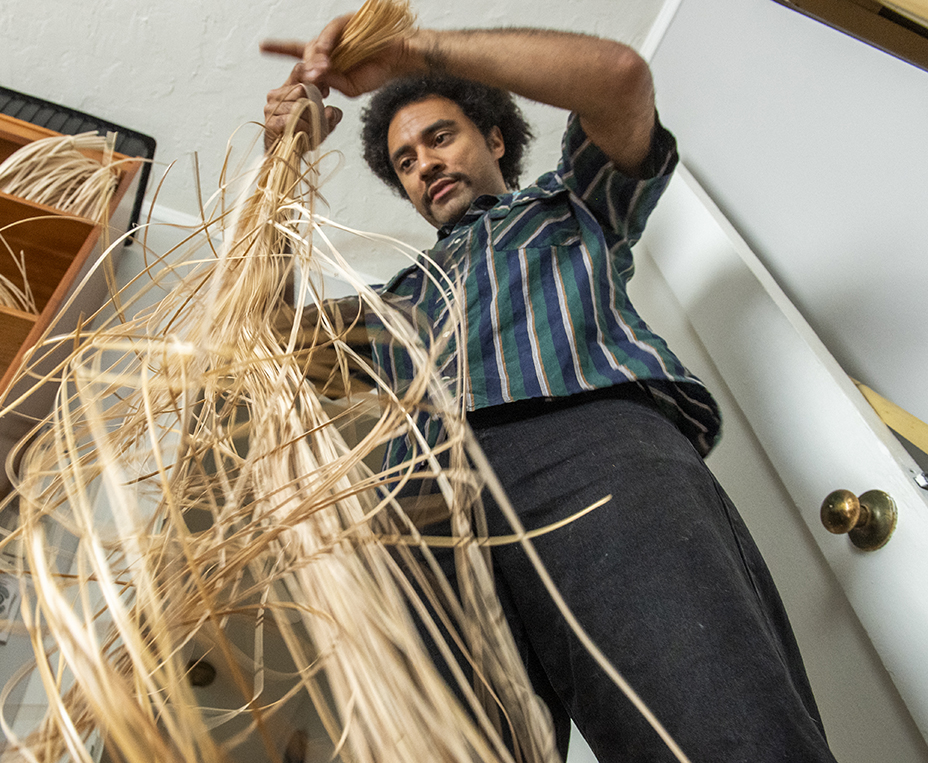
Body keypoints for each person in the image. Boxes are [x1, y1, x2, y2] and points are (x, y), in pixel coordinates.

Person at [260, 13, 839, 763]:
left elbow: (621, 80)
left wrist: (414, 55)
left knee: (711, 728)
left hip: (589, 454)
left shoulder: (571, 208)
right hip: (426, 513)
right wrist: (284, 161)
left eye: (440, 136)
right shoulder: (394, 299)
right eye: (404, 160)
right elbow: (265, 334)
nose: (424, 164)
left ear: (495, 138)